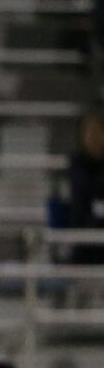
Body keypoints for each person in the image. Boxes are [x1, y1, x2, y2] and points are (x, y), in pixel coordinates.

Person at [66, 108, 104, 265]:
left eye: (97, 132)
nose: (93, 138)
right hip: (85, 238)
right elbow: (82, 192)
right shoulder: (78, 162)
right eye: (89, 133)